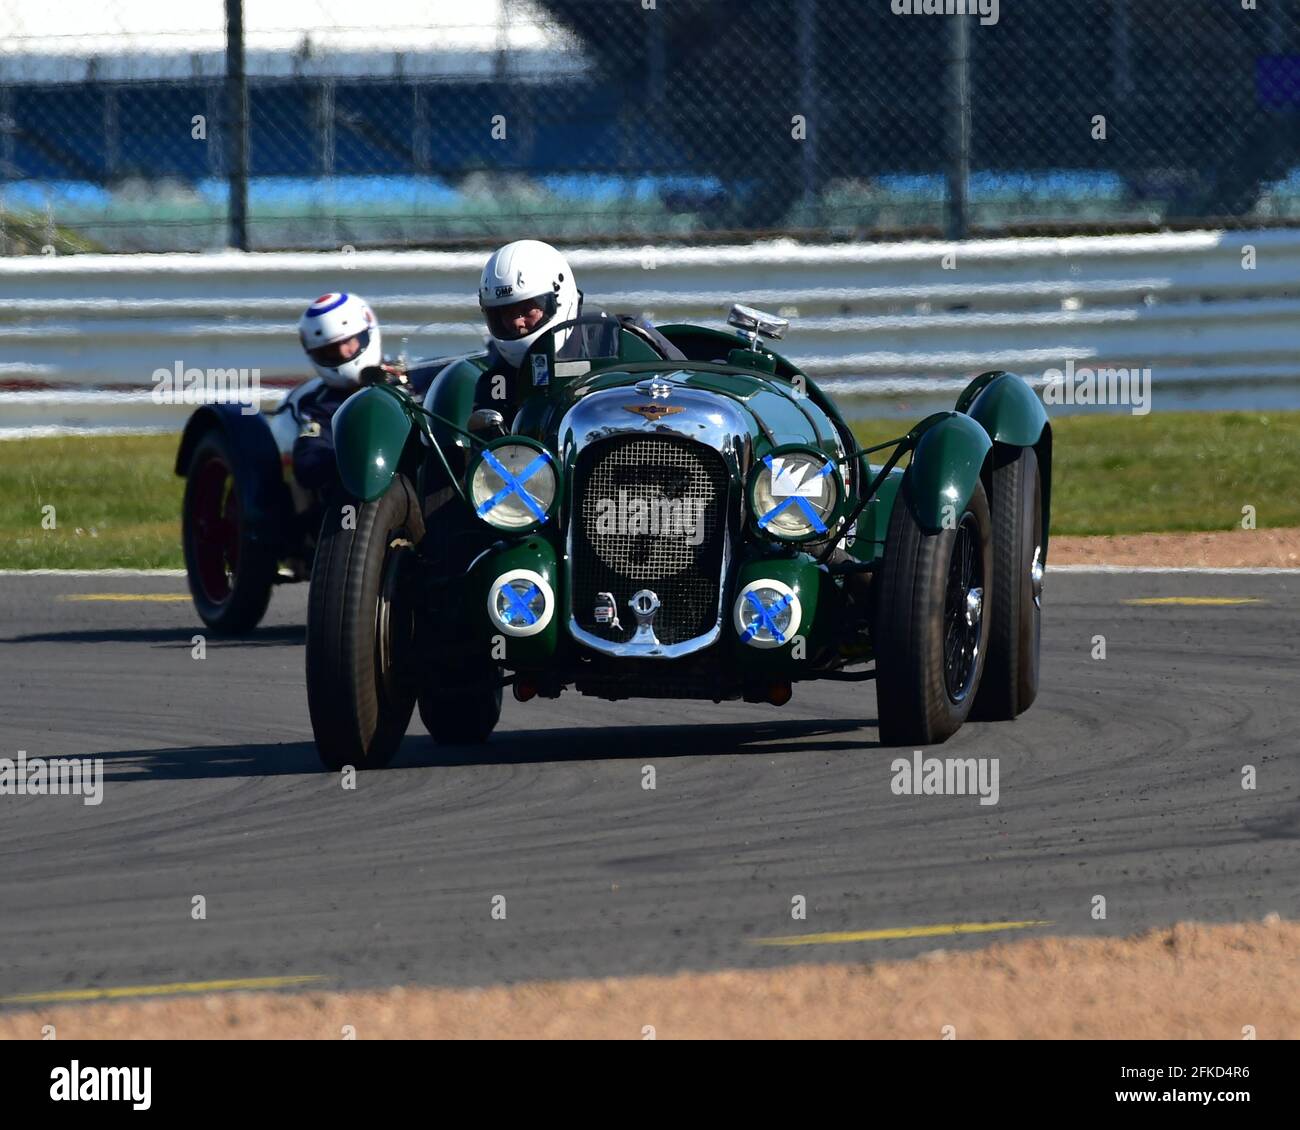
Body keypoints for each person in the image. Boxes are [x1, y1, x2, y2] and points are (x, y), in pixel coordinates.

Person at [292, 291, 387, 491]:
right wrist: (358, 455)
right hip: (360, 494)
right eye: (332, 349)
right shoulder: (319, 407)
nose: (344, 353)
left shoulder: (407, 377)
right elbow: (308, 463)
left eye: (349, 342)